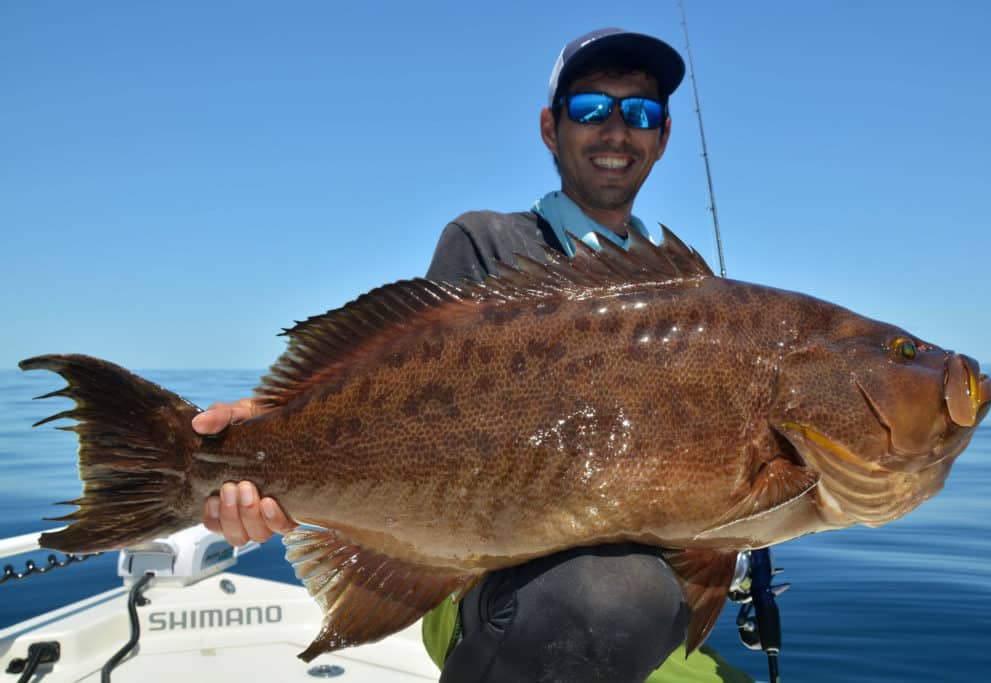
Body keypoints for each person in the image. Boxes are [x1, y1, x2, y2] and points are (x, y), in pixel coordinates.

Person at [195, 28, 752, 683]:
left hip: (635, 613)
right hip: (480, 575)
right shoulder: (489, 242)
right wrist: (269, 430)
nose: (616, 130)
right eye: (591, 108)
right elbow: (417, 388)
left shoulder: (698, 298)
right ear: (551, 128)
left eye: (641, 113)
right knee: (620, 596)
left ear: (661, 139)